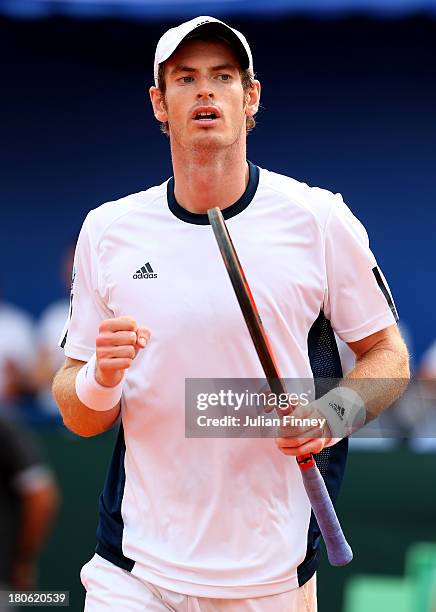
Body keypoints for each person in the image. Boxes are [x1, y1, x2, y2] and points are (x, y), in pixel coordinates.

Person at [53, 16, 410, 611]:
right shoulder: (107, 229)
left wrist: (330, 414)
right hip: (134, 570)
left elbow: (389, 357)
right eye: (185, 79)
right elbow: (80, 413)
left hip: (270, 576)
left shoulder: (319, 218)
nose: (205, 92)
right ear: (158, 103)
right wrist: (100, 377)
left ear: (251, 98)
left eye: (223, 77)